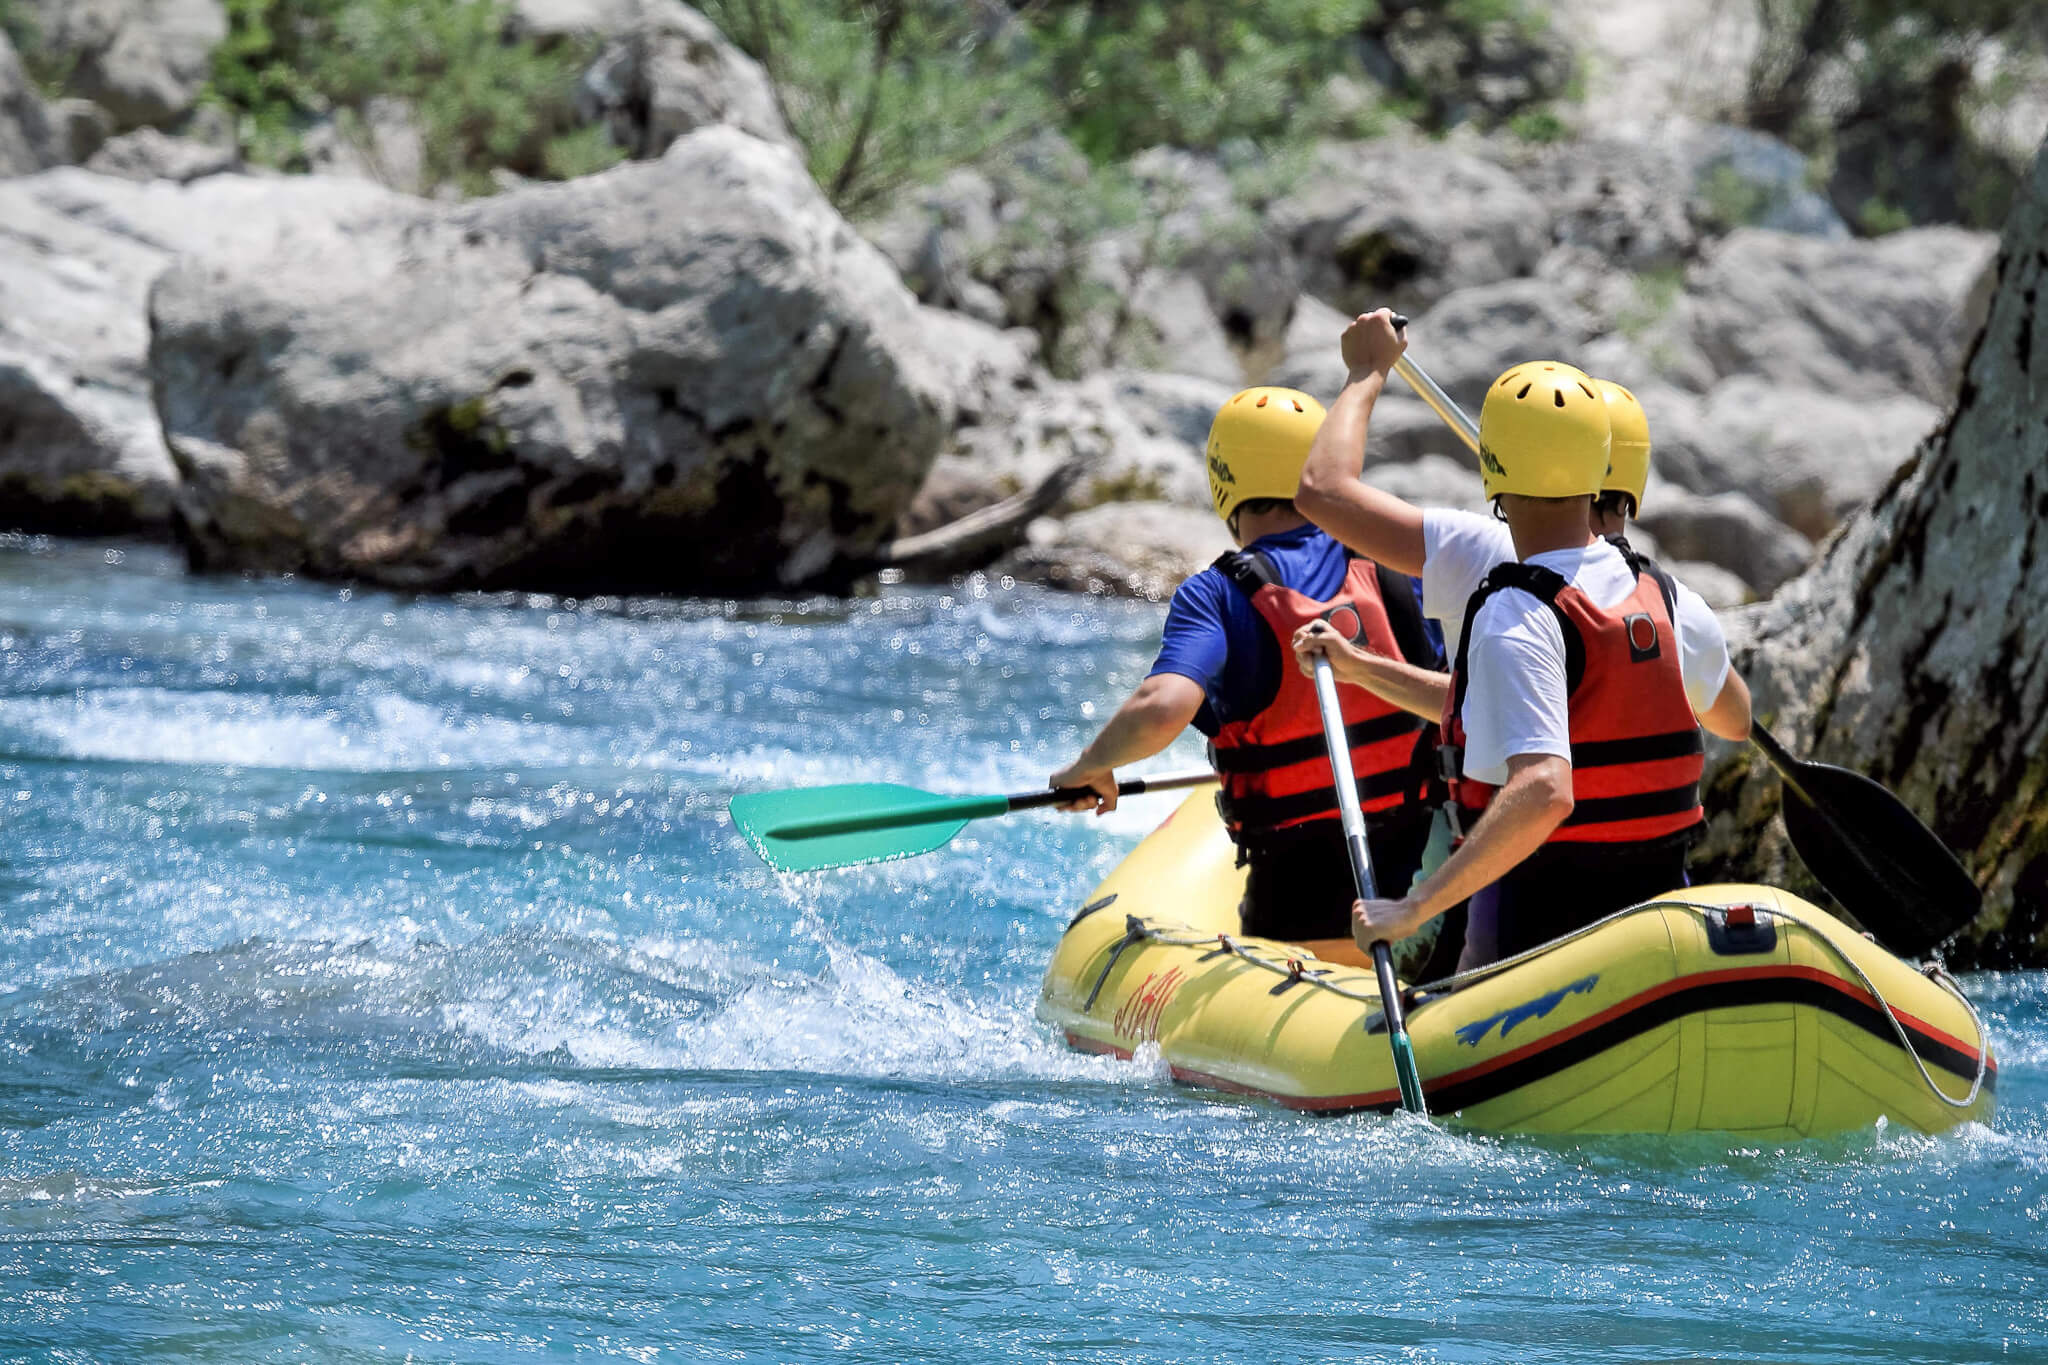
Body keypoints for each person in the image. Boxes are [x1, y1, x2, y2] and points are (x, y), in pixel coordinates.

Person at [1297, 325, 1750, 968]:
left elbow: (1544, 789)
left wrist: (1415, 906)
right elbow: (1734, 718)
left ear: (1492, 469)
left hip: (1533, 938)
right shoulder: (1675, 601)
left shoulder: (1510, 604)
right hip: (1657, 935)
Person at [1048, 386, 1448, 961]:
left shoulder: (1217, 594)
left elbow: (1164, 705)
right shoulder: (1396, 561)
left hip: (1299, 907)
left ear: (1224, 481)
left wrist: (1093, 766)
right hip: (1429, 892)